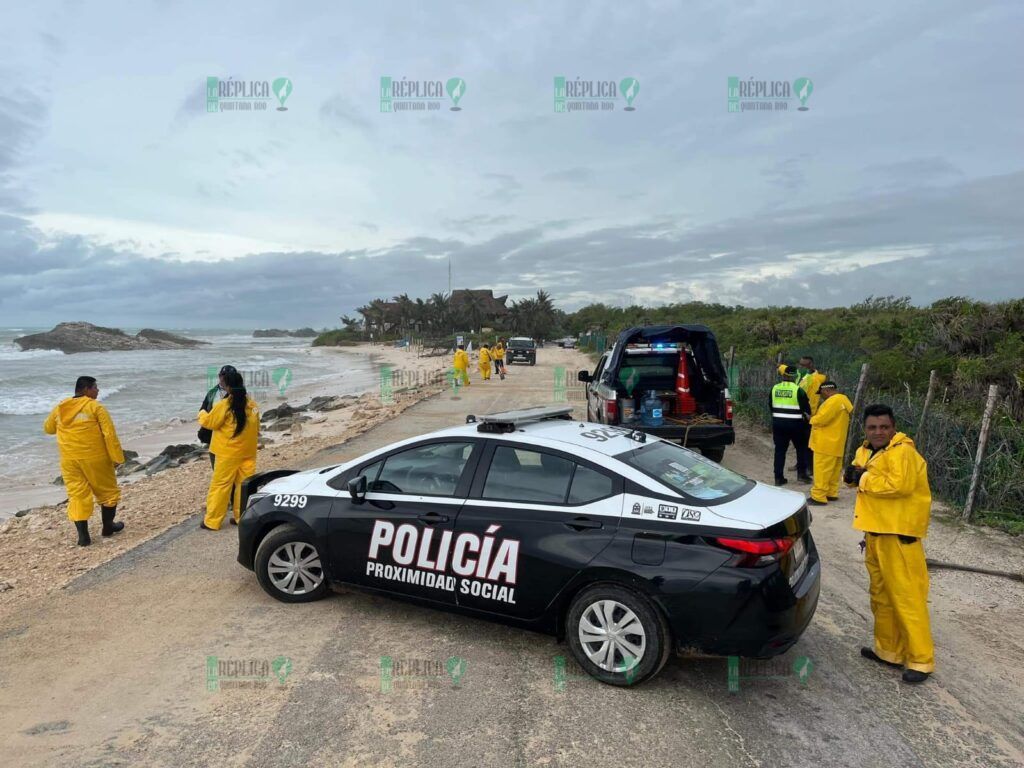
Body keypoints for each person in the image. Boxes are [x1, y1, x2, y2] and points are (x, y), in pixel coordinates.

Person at [845, 404, 934, 684]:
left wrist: (863, 478)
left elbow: (899, 485)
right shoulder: (867, 449)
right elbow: (864, 479)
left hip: (898, 536)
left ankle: (921, 660)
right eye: (872, 427)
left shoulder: (903, 452)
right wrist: (854, 477)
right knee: (881, 596)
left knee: (907, 598)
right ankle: (890, 651)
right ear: (865, 429)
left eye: (884, 427)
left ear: (893, 427)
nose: (878, 432)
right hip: (875, 532)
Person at [43, 376, 126, 546]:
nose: (98, 390)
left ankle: (83, 537)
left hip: (69, 460)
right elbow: (109, 434)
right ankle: (108, 527)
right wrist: (117, 457)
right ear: (87, 389)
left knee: (77, 495)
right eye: (95, 387)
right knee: (108, 492)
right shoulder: (95, 407)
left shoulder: (61, 407)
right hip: (95, 458)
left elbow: (49, 428)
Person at [198, 370, 260, 530]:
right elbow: (256, 427)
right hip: (248, 452)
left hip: (228, 453)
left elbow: (209, 422)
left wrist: (202, 412)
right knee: (244, 485)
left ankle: (212, 521)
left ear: (227, 387)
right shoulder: (252, 404)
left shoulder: (225, 405)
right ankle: (242, 517)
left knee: (220, 485)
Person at [807, 381, 853, 506]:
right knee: (833, 470)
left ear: (826, 391)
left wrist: (811, 418)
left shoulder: (833, 401)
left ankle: (818, 496)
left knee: (822, 470)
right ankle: (831, 492)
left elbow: (822, 419)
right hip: (837, 442)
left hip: (825, 442)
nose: (821, 396)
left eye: (821, 393)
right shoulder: (843, 400)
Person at [770, 364, 812, 486]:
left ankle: (778, 478)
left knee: (779, 451)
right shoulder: (798, 390)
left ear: (783, 375)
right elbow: (806, 410)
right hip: (796, 425)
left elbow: (771, 405)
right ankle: (802, 475)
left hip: (778, 424)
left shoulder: (774, 388)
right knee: (801, 449)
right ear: (794, 377)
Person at [198, 364, 238, 468]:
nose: (225, 378)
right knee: (216, 467)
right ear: (219, 376)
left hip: (231, 437)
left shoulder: (239, 393)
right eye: (224, 375)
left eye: (230, 376)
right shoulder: (212, 392)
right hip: (213, 436)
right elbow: (202, 409)